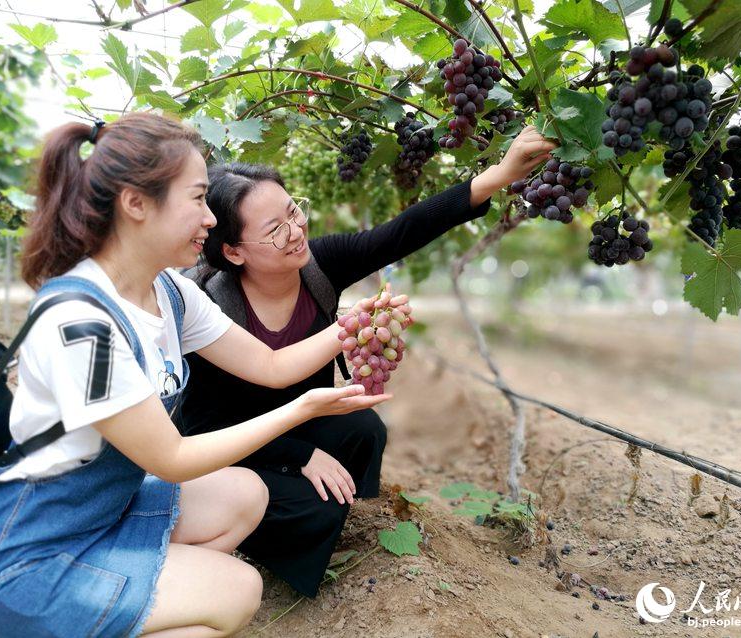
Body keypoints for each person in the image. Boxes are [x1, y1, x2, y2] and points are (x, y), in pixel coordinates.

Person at [0, 112, 389, 638]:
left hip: (106, 511)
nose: (211, 219)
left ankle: (120, 605)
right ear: (136, 205)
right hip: (31, 552)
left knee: (244, 495)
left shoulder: (170, 294)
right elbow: (170, 459)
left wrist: (354, 325)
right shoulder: (82, 325)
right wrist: (301, 410)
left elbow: (268, 364)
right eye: (197, 198)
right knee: (237, 590)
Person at [180, 126, 555, 597]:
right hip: (234, 445)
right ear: (233, 252)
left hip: (298, 418)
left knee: (364, 431)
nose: (296, 232)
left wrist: (498, 176)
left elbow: (400, 233)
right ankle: (263, 548)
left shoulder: (318, 266)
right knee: (316, 510)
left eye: (294, 212)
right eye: (275, 230)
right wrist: (299, 457)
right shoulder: (211, 312)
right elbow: (202, 427)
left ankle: (326, 519)